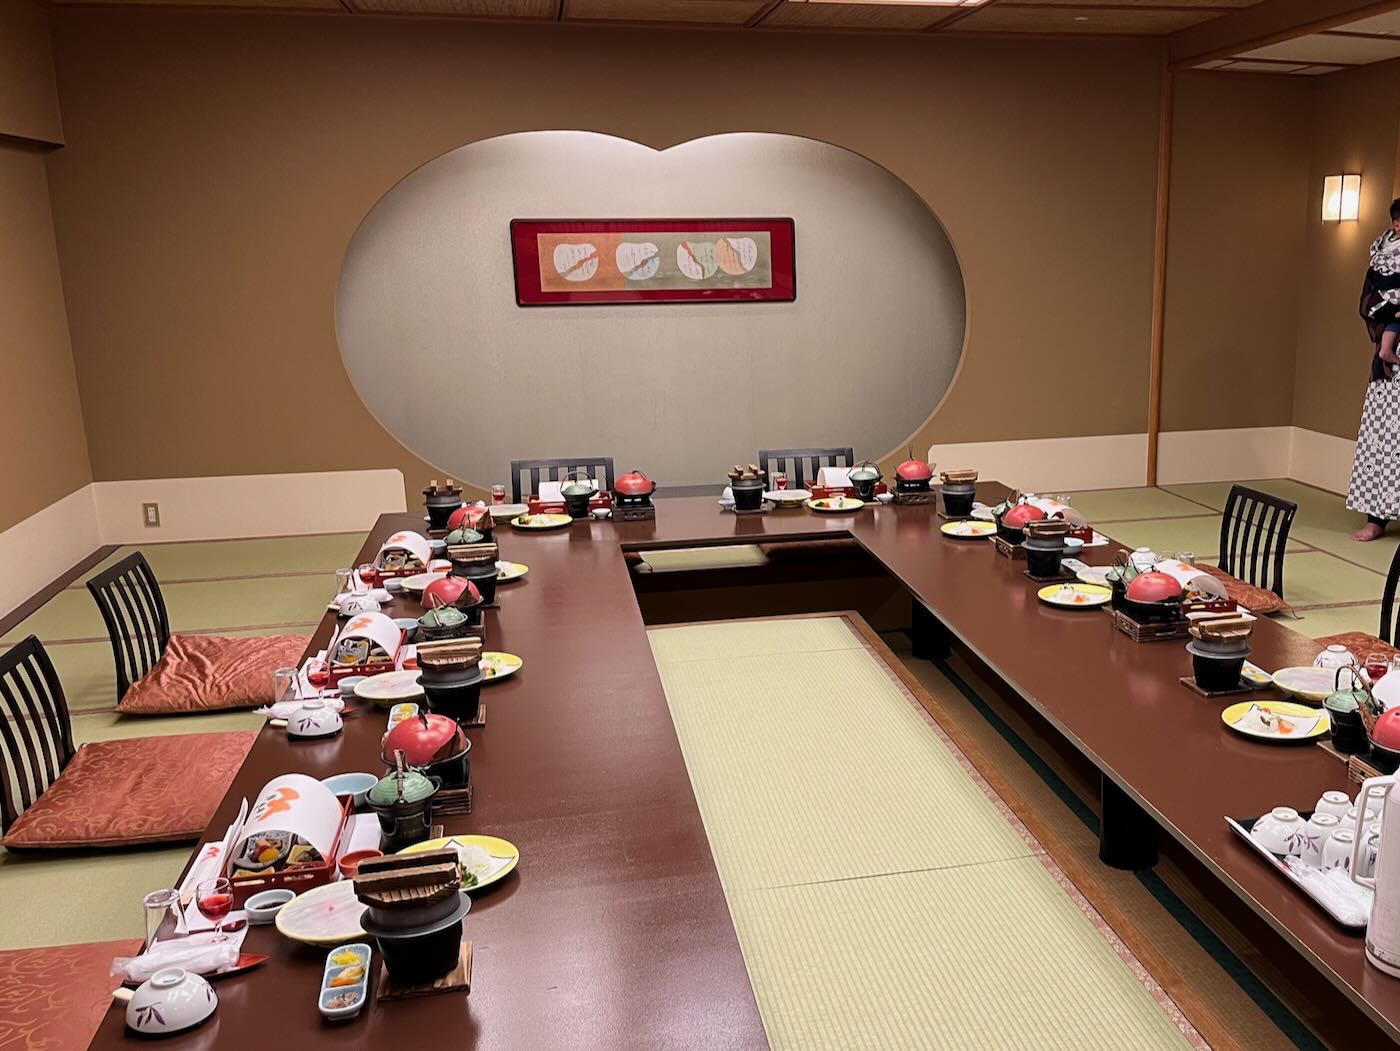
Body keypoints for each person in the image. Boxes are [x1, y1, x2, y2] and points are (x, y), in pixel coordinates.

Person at [1348, 197, 1400, 542]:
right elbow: (1368, 302)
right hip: (1390, 362)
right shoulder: (1381, 253)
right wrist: (1390, 307)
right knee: (1382, 436)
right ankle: (1376, 518)